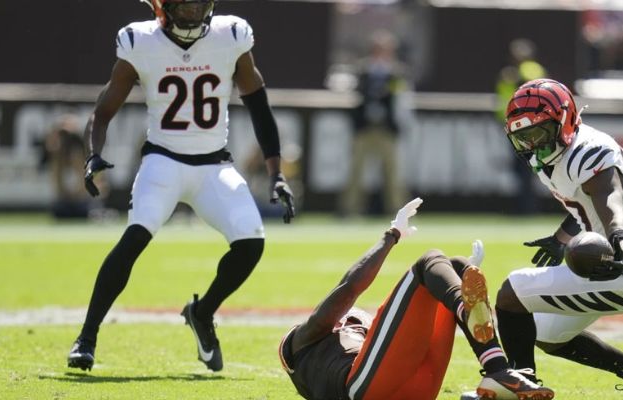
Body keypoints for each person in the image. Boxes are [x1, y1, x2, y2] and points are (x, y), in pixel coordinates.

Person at [67, 0, 295, 372]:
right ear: (163, 7)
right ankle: (86, 338)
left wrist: (276, 173)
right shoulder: (140, 40)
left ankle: (202, 313)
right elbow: (104, 109)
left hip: (214, 166)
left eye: (198, 4)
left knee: (251, 243)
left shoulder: (231, 35)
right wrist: (94, 153)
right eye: (184, 5)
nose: (192, 12)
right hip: (164, 161)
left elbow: (258, 105)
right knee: (135, 237)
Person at [494, 78, 623, 399]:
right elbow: (585, 202)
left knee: (512, 293)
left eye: (538, 134)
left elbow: (610, 200)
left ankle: (522, 388)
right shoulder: (562, 150)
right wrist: (561, 238)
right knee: (548, 333)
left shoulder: (588, 154)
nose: (533, 145)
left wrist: (620, 242)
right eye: (523, 139)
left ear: (563, 120)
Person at [278, 198, 554, 400]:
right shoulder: (301, 341)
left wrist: (459, 278)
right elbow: (349, 288)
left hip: (409, 386)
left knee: (455, 265)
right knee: (428, 261)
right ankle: (470, 317)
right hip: (362, 388)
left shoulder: (339, 342)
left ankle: (496, 369)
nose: (348, 320)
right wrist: (391, 235)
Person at [339, 30, 407, 217]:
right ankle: (350, 210)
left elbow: (401, 100)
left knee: (392, 172)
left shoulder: (396, 73)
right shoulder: (362, 70)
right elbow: (356, 97)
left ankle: (397, 211)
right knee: (356, 170)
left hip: (386, 129)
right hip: (365, 127)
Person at [495, 38, 548, 215]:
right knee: (519, 168)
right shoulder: (509, 74)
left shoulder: (531, 69)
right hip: (514, 128)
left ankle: (528, 207)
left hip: (529, 129)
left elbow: (533, 88)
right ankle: (522, 205)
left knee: (528, 168)